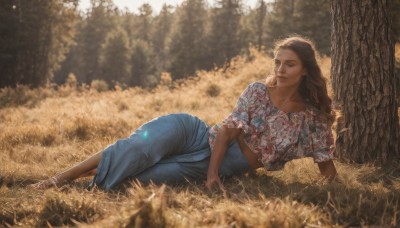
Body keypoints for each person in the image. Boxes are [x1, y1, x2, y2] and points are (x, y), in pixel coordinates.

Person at [30, 36, 337, 192]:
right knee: (138, 148)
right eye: (277, 62)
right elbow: (228, 131)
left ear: (306, 69)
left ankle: (88, 181)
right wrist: (212, 174)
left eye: (290, 64)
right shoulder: (258, 90)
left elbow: (324, 158)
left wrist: (335, 187)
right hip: (196, 134)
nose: (280, 70)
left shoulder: (312, 116)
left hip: (226, 163)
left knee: (139, 180)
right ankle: (61, 178)